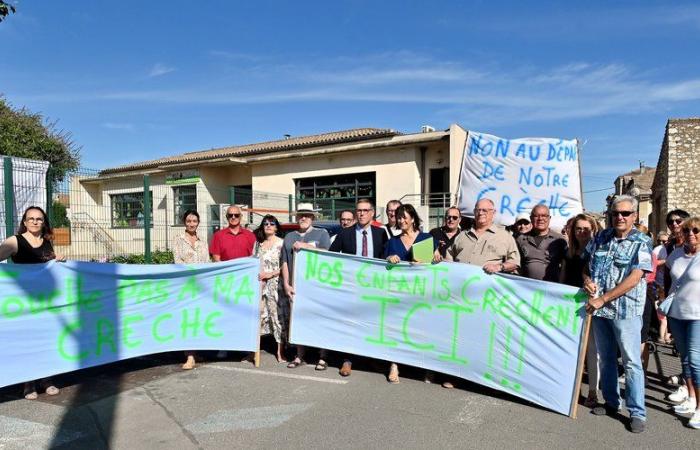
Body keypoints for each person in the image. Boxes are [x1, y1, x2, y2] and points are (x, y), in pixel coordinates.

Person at [582, 195, 652, 433]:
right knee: (606, 358)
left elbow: (635, 277)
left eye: (624, 213)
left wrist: (603, 298)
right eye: (615, 213)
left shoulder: (642, 241)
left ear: (634, 216)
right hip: (600, 311)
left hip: (626, 311)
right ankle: (612, 402)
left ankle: (636, 412)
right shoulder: (601, 237)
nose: (619, 217)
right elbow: (586, 265)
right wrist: (587, 281)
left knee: (631, 362)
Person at [440, 198, 519, 388]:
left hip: (488, 297)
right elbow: (449, 256)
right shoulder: (462, 236)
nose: (481, 213)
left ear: (493, 213)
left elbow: (515, 262)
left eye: (485, 210)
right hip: (461, 296)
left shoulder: (504, 236)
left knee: (485, 338)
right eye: (478, 210)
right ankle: (456, 374)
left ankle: (483, 378)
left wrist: (500, 266)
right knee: (460, 337)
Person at [0, 206, 63, 399]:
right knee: (27, 341)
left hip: (45, 301)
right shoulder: (14, 241)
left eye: (39, 219)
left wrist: (57, 259)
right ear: (25, 222)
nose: (35, 222)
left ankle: (46, 378)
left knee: (45, 340)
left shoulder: (46, 242)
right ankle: (28, 382)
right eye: (31, 219)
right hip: (24, 303)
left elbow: (48, 268)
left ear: (43, 222)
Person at [330, 199, 388, 376]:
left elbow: (387, 258)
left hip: (373, 287)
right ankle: (347, 359)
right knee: (350, 324)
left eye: (365, 210)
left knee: (372, 323)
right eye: (359, 211)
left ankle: (373, 359)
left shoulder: (381, 233)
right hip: (351, 287)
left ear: (372, 213)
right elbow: (329, 257)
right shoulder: (345, 234)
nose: (361, 214)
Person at [384, 203, 435, 384]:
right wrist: (389, 259)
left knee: (423, 330)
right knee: (398, 328)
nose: (401, 220)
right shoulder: (393, 242)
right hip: (400, 293)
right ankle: (394, 365)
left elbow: (435, 263)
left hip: (422, 293)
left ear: (413, 218)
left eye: (405, 217)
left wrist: (436, 257)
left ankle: (427, 368)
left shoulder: (427, 238)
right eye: (399, 217)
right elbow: (384, 266)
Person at [282, 203, 331, 370]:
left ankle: (323, 356)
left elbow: (327, 254)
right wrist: (286, 284)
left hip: (317, 286)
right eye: (300, 215)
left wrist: (306, 246)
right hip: (296, 286)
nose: (303, 218)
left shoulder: (322, 233)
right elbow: (285, 262)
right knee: (298, 321)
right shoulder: (289, 237)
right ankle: (299, 355)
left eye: (307, 215)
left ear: (313, 217)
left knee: (319, 319)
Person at [663, 217, 700, 427]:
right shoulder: (675, 255)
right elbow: (669, 281)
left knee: (695, 360)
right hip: (676, 314)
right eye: (687, 231)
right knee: (685, 358)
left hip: (697, 315)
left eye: (696, 230)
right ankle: (692, 398)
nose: (691, 234)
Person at [560, 213, 600, 407]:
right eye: (578, 229)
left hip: (590, 304)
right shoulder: (568, 253)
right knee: (571, 348)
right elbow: (562, 279)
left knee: (591, 349)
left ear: (593, 230)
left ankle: (593, 391)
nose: (582, 232)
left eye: (586, 229)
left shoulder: (598, 251)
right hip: (570, 305)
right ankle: (573, 390)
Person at [209, 205, 256, 359]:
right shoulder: (218, 235)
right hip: (226, 282)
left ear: (241, 217)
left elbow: (254, 259)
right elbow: (216, 258)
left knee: (243, 315)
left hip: (245, 284)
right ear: (226, 217)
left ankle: (243, 346)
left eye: (236, 215)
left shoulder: (250, 236)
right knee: (224, 315)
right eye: (230, 215)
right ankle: (224, 346)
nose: (233, 218)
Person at [172, 209, 210, 370]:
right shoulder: (178, 240)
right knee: (187, 319)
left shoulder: (203, 241)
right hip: (186, 286)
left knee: (198, 319)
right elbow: (177, 261)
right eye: (189, 221)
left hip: (201, 286)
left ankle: (197, 351)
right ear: (184, 222)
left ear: (198, 222)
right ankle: (189, 356)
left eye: (194, 221)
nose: (191, 224)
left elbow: (207, 262)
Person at [663, 209, 693, 405]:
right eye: (670, 222)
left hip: (694, 305)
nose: (674, 225)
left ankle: (690, 390)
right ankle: (686, 383)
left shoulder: (695, 245)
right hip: (677, 306)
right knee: (683, 349)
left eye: (678, 221)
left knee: (693, 351)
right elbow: (667, 277)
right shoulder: (671, 247)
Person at [253, 215, 287, 363]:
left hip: (275, 285)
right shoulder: (258, 244)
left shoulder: (281, 243)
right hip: (261, 285)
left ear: (276, 227)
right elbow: (253, 263)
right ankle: (253, 352)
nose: (268, 226)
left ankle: (280, 352)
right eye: (265, 223)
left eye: (272, 224)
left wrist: (270, 274)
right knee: (258, 317)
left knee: (276, 317)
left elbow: (285, 266)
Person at [516, 205, 567, 282]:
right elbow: (517, 265)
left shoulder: (559, 240)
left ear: (549, 218)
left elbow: (565, 266)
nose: (540, 219)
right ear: (531, 218)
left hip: (552, 288)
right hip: (527, 288)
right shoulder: (521, 239)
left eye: (544, 216)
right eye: (536, 216)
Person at [653, 231, 671, 344]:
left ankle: (667, 335)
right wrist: (665, 261)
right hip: (659, 284)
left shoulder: (672, 248)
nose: (661, 243)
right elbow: (652, 264)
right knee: (663, 313)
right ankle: (663, 335)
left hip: (670, 283)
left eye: (664, 241)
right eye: (659, 241)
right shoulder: (657, 249)